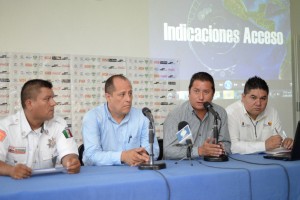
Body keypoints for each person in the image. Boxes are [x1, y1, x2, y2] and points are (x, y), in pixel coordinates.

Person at [0, 79, 80, 179]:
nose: (53, 103)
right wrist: (11, 170)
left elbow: (68, 154)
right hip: (15, 187)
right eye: (47, 99)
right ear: (29, 104)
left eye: (53, 98)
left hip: (48, 186)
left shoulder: (60, 124)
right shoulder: (5, 127)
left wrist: (71, 162)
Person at [82, 74, 159, 166]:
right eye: (122, 94)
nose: (128, 99)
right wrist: (122, 157)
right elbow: (91, 156)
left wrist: (143, 156)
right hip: (101, 176)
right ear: (108, 97)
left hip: (134, 173)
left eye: (130, 93)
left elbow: (153, 150)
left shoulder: (142, 117)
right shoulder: (93, 117)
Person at [163, 72, 231, 160]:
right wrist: (199, 151)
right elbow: (168, 151)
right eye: (196, 91)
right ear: (189, 92)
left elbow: (227, 145)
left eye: (206, 92)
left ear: (213, 94)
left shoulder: (219, 113)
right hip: (183, 167)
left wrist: (220, 149)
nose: (201, 97)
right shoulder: (176, 115)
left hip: (211, 165)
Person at [226, 76, 294, 154]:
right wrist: (264, 145)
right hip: (240, 162)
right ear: (243, 97)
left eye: (263, 98)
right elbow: (233, 147)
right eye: (253, 98)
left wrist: (286, 142)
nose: (258, 103)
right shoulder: (231, 112)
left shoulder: (272, 112)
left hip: (267, 161)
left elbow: (279, 138)